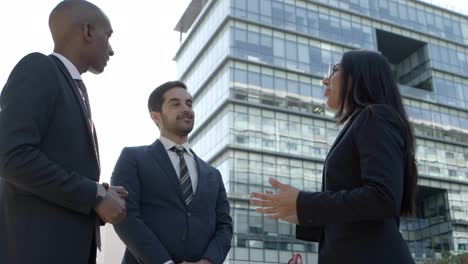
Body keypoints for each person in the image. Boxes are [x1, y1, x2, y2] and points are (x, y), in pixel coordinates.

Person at [251, 50, 418, 263]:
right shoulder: (365, 121)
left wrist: (304, 203)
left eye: (335, 70)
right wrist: (301, 213)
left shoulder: (376, 117)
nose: (325, 80)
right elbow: (359, 216)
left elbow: (381, 198)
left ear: (360, 76)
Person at [0, 1, 127, 264]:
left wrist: (99, 190)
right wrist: (94, 195)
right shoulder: (38, 68)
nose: (112, 50)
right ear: (88, 32)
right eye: (109, 35)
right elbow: (11, 156)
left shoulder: (72, 86)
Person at [111, 81, 232, 264]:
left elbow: (224, 226)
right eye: (175, 104)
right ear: (156, 116)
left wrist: (208, 262)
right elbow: (125, 216)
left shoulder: (213, 174)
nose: (186, 109)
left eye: (189, 104)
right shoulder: (133, 158)